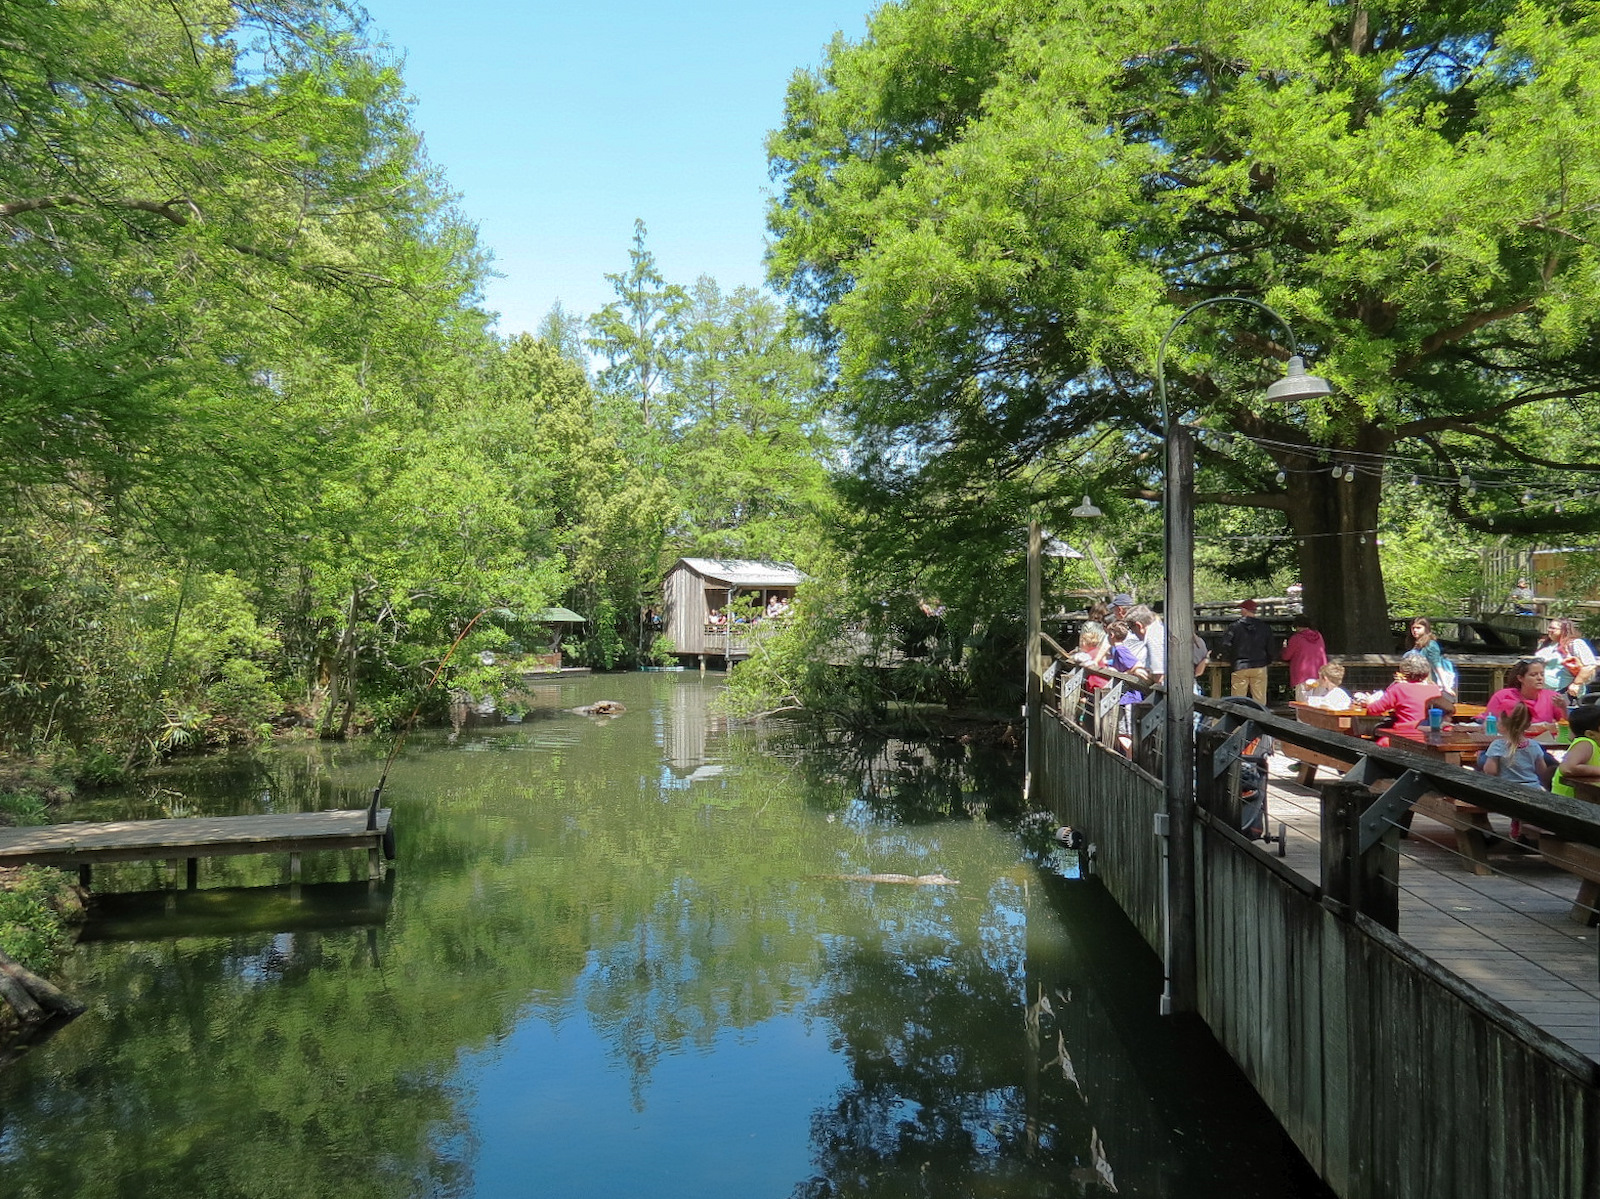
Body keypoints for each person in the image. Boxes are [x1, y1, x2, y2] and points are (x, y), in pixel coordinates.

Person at [1361, 653, 1451, 742]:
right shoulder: (1434, 689)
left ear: (1403, 671)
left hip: (1404, 734)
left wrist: (1370, 703)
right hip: (1428, 735)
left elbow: (1374, 710)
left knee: (1381, 740)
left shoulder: (1399, 688)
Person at [1485, 659, 1567, 738]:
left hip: (1544, 744)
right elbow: (1487, 724)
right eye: (1533, 675)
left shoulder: (1553, 697)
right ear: (1520, 678)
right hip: (1509, 742)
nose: (1539, 678)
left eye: (1542, 674)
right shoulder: (1502, 696)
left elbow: (1565, 724)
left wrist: (1563, 708)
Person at [1483, 701, 1554, 790]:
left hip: (1506, 790)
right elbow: (1542, 771)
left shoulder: (1497, 745)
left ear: (1502, 724)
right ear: (1527, 724)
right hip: (1533, 790)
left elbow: (1491, 771)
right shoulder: (1534, 746)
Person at [1220, 599, 1276, 704]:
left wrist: (1230, 658)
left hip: (1240, 666)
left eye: (1241, 609)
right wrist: (1268, 660)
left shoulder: (1234, 627)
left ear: (1245, 610)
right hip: (1260, 665)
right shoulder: (1265, 627)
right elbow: (1271, 647)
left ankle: (1239, 720)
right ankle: (1260, 719)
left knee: (1238, 701)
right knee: (1260, 700)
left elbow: (1226, 645)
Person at [1534, 617, 1596, 701]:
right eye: (1549, 627)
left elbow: (1590, 666)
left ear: (1564, 630)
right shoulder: (1546, 644)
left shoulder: (1575, 644)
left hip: (1565, 693)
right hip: (1543, 692)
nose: (1549, 630)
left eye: (1553, 628)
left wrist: (1576, 684)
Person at [1553, 705, 1600, 800]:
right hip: (1567, 805)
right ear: (1590, 734)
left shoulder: (1595, 744)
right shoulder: (1585, 743)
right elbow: (1567, 768)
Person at [1281, 614, 1327, 702]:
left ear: (1297, 626)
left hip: (1303, 675)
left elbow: (1286, 656)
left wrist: (1284, 648)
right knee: (1319, 703)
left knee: (1303, 704)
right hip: (1320, 673)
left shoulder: (1296, 638)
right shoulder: (1319, 636)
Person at [1127, 604, 1163, 687]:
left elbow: (1159, 677)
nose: (1134, 635)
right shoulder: (1160, 629)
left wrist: (1138, 671)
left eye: (1132, 630)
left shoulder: (1153, 637)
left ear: (1139, 626)